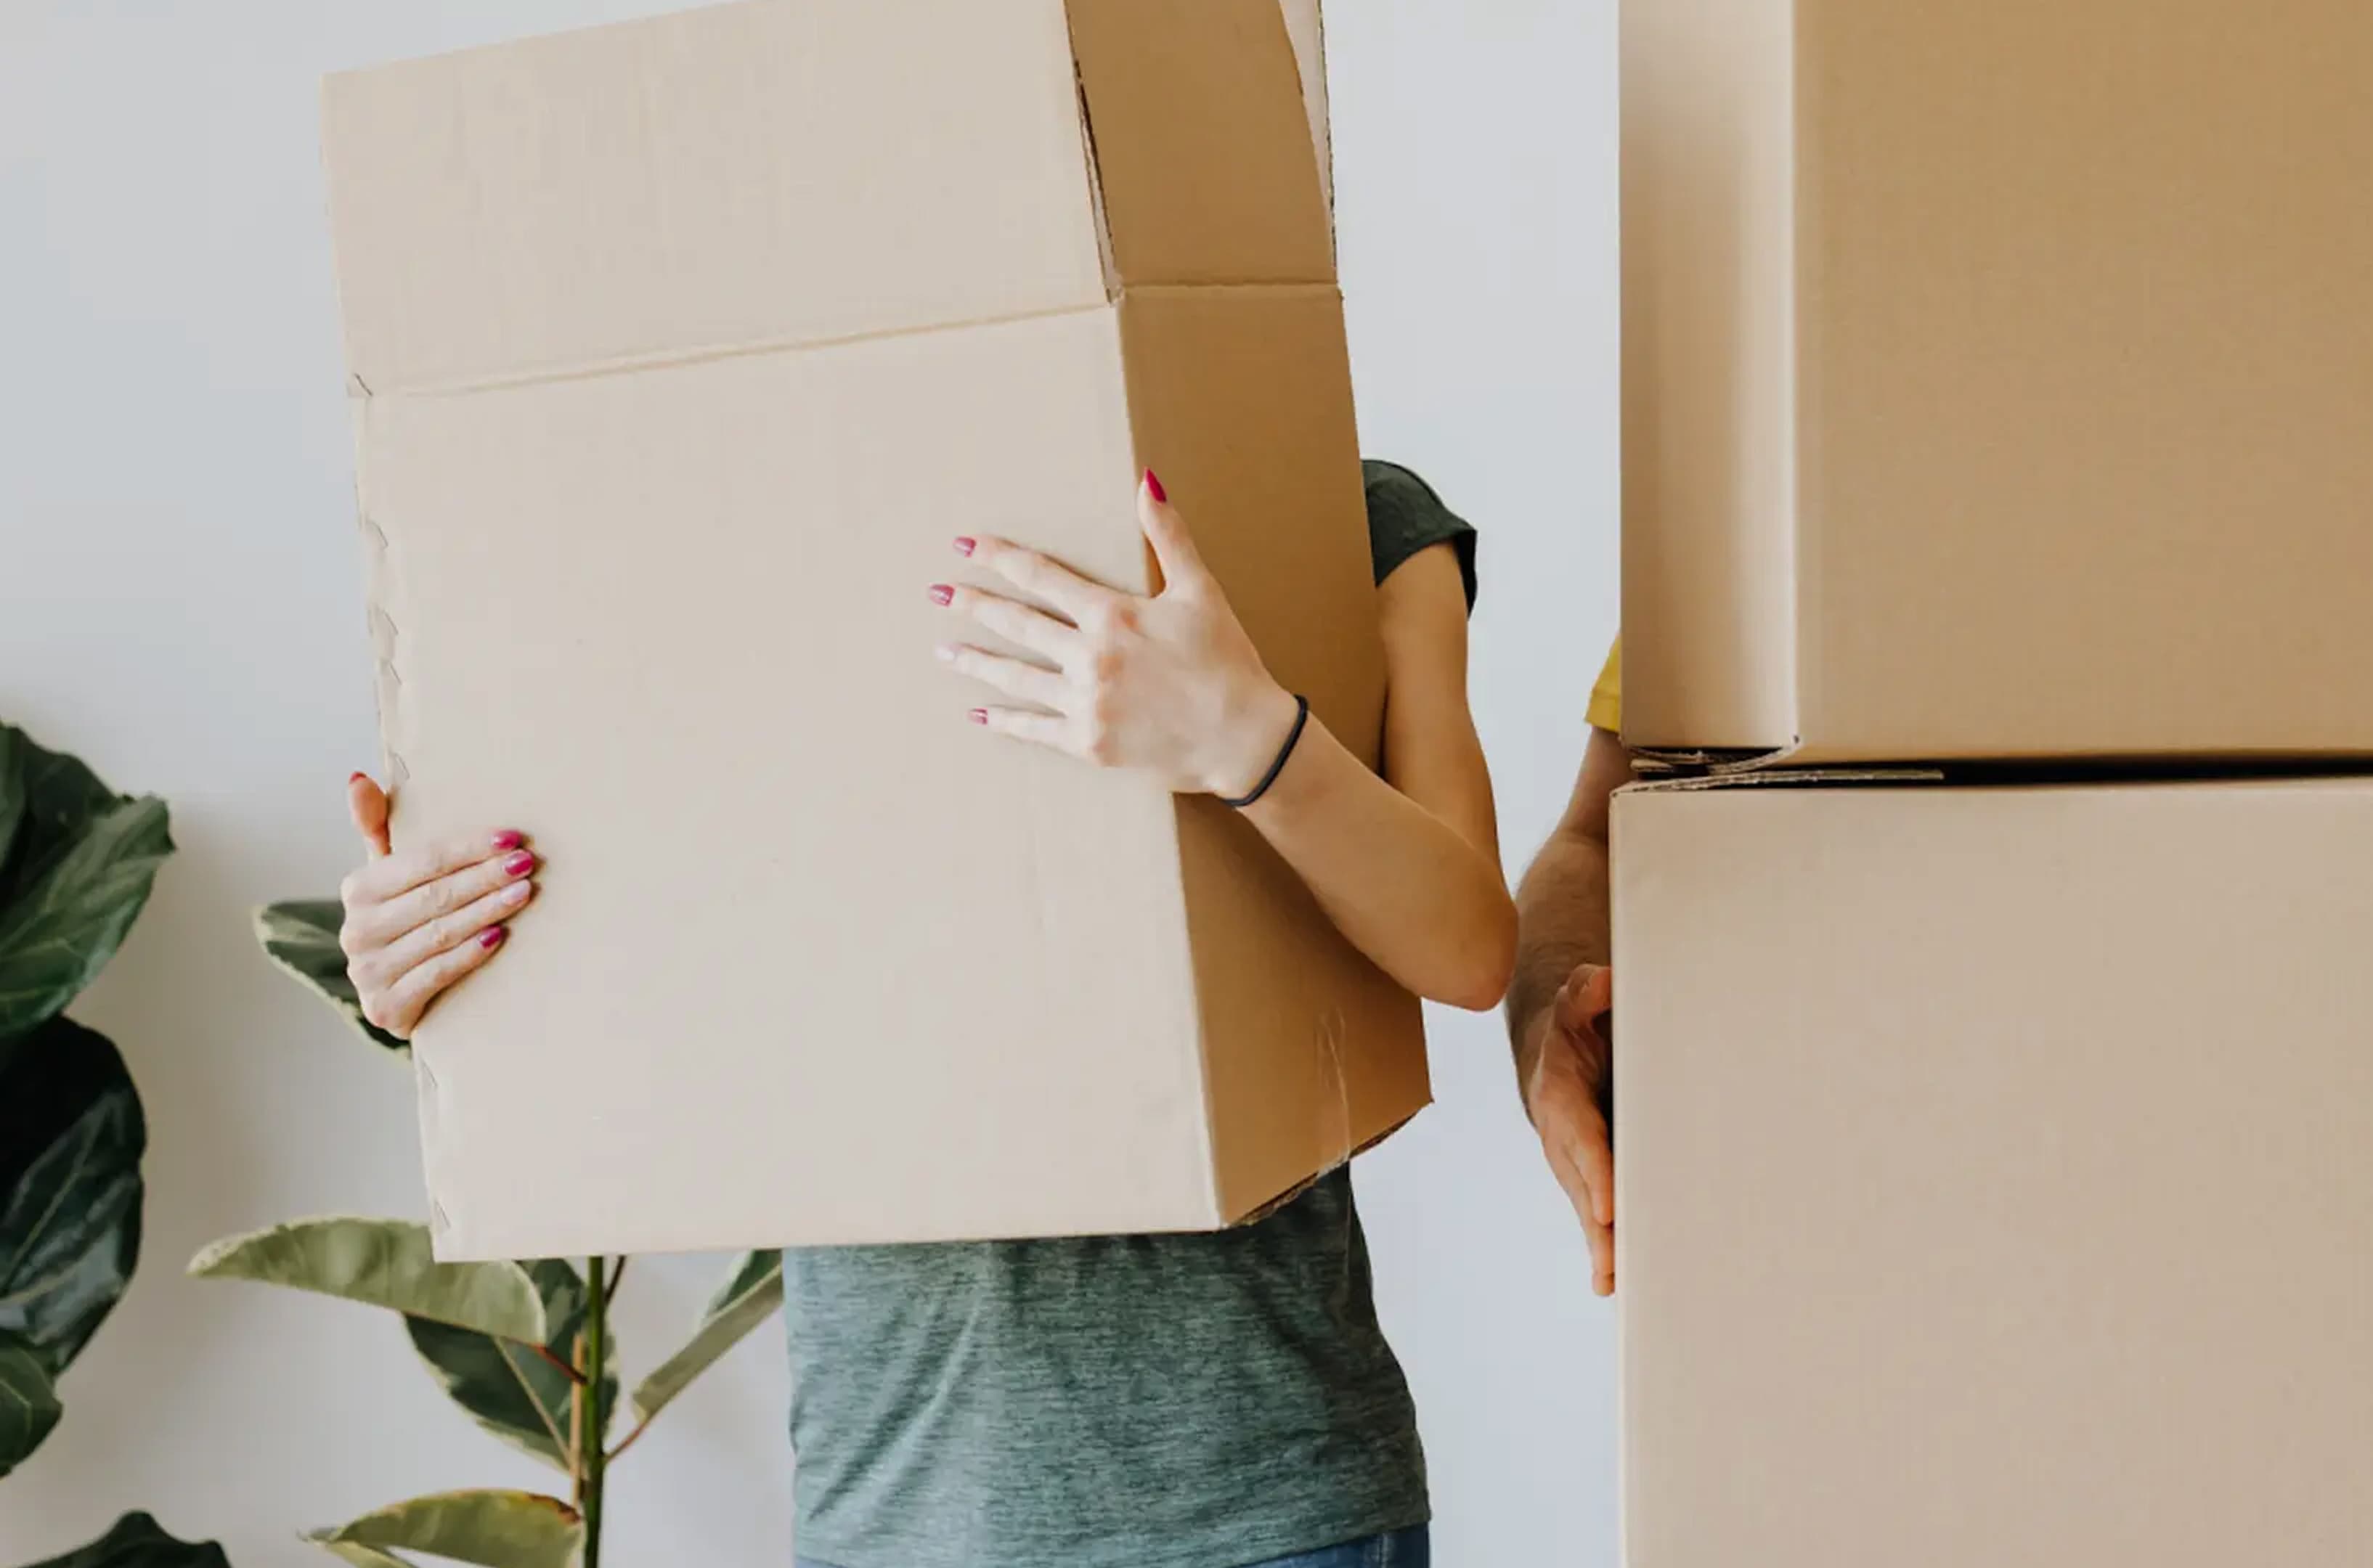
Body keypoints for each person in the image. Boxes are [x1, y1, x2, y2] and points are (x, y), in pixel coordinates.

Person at [332, 464, 1513, 1568]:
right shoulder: (778, 527)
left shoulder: (1349, 514)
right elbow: (664, 922)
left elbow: (1468, 948)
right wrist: (432, 958)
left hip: (1261, 1503)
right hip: (895, 1504)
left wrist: (1245, 738)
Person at [1506, 637, 2373, 1298]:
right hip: (1843, 1282)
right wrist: (1544, 1040)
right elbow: (1600, 842)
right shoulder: (1793, 462)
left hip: (2268, 1297)